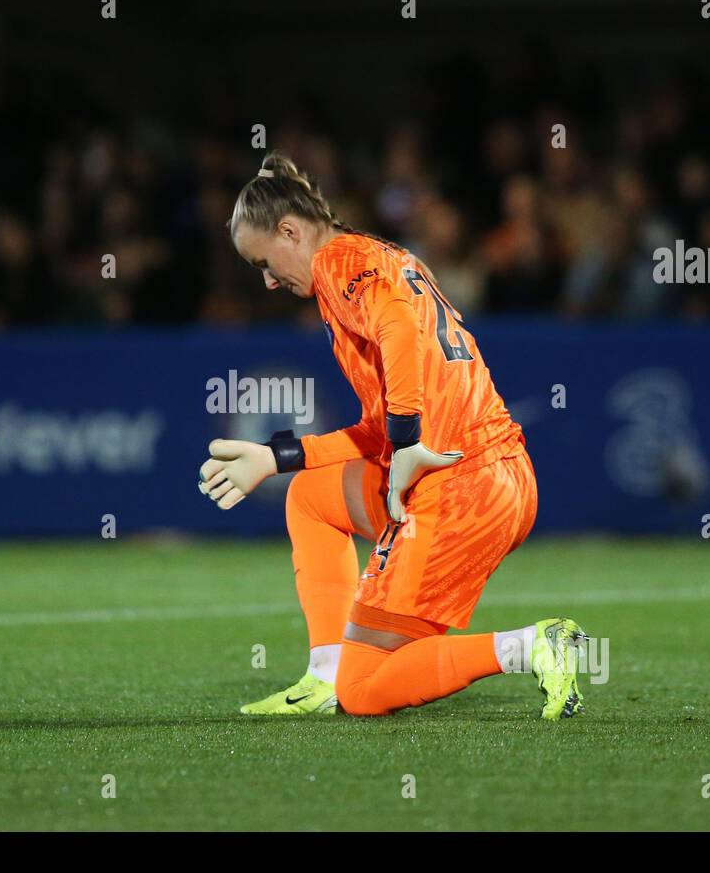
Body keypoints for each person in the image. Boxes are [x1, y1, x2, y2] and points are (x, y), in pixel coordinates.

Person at [197, 152, 587, 719]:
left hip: (459, 485)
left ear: (290, 230)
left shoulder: (338, 262)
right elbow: (378, 428)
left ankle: (530, 646)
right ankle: (323, 675)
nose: (267, 280)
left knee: (366, 691)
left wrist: (406, 441)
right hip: (491, 475)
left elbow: (399, 332)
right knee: (309, 497)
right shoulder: (376, 260)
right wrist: (279, 457)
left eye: (264, 260)